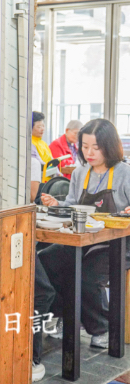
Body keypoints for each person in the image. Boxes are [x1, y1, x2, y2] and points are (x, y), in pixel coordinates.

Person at [39, 119, 130, 349]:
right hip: (83, 238)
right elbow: (71, 205)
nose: (89, 153)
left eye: (96, 148)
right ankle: (65, 317)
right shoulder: (81, 173)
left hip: (118, 242)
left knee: (87, 276)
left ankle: (101, 328)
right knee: (46, 261)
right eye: (85, 146)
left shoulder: (124, 173)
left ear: (110, 146)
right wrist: (55, 203)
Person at [32, 111, 58, 183]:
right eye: (39, 127)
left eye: (43, 126)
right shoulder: (30, 144)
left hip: (49, 179)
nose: (42, 129)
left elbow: (51, 159)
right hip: (40, 181)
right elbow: (40, 165)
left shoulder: (43, 143)